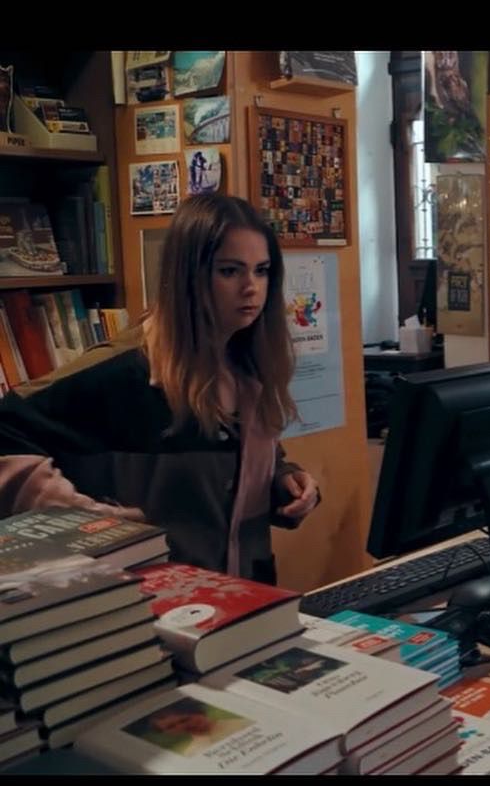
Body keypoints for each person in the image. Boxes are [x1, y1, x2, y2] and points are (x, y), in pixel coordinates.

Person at [0, 194, 319, 583]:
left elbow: (224, 470)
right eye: (230, 271)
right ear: (189, 276)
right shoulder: (123, 370)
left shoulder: (248, 363)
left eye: (262, 270)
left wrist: (282, 478)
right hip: (155, 599)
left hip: (244, 592)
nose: (251, 287)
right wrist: (77, 515)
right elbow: (8, 425)